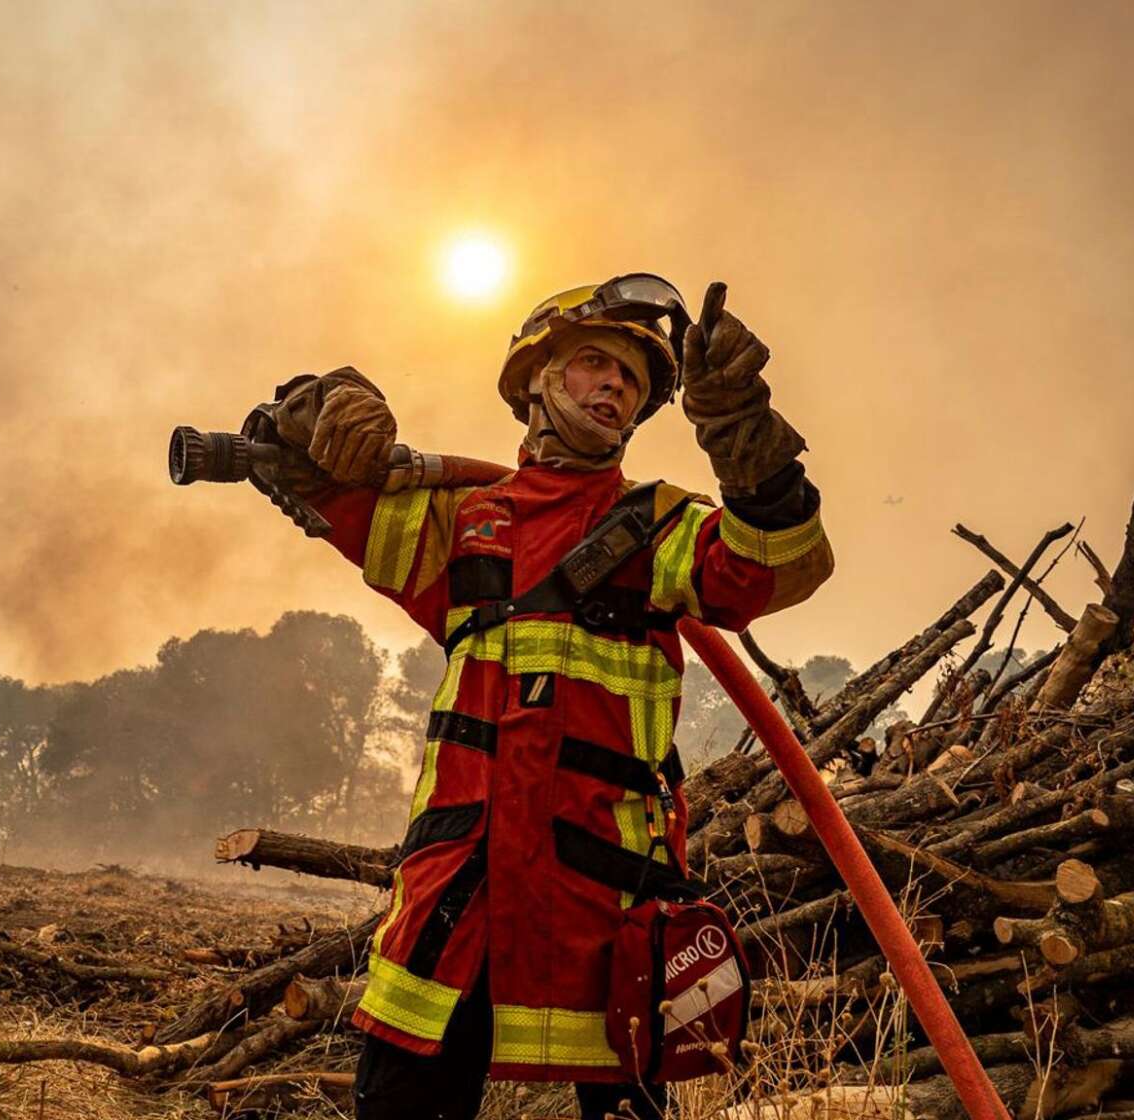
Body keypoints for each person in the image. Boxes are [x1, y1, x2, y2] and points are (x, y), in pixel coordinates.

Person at [268, 275, 835, 1119]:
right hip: (456, 894)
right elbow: (307, 477)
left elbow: (776, 563)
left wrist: (742, 432)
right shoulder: (460, 522)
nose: (616, 387)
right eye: (595, 363)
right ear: (535, 378)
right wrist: (320, 408)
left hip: (605, 901)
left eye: (632, 380)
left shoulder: (660, 527)